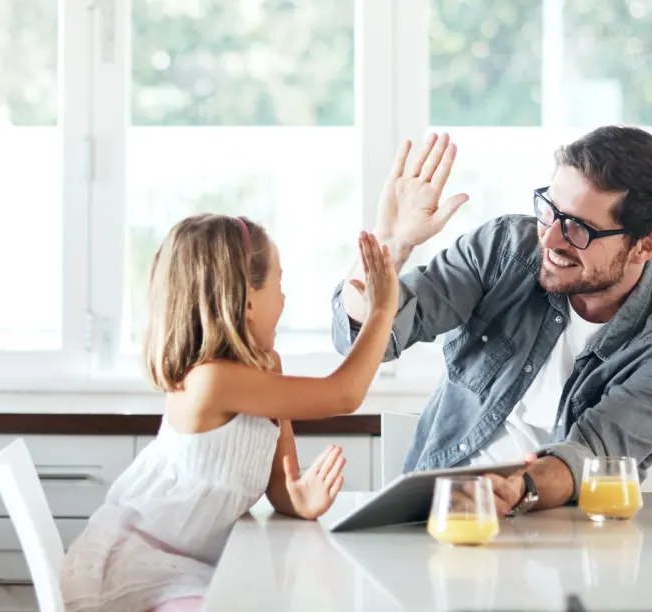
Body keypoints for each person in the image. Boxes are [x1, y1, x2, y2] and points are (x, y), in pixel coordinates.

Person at [331, 127, 652, 517]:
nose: (550, 240)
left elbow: (595, 455)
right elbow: (368, 341)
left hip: (561, 533)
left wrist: (519, 489)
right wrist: (390, 245)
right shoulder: (505, 248)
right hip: (439, 513)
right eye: (549, 210)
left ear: (645, 246)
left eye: (578, 229)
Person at [61, 214, 399, 612]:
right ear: (249, 302)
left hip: (198, 565)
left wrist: (297, 498)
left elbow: (279, 482)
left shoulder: (267, 368)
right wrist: (381, 313)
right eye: (280, 284)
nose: (285, 299)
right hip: (145, 562)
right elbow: (344, 395)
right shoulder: (211, 382)